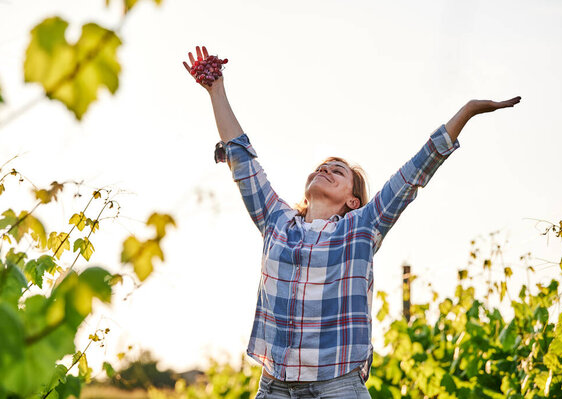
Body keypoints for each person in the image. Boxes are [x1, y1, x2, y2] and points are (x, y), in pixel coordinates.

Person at [183, 45, 521, 399]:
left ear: (352, 200)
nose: (325, 169)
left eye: (337, 170)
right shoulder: (278, 222)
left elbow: (414, 173)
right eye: (322, 167)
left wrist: (466, 112)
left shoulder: (360, 228)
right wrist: (216, 89)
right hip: (274, 387)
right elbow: (242, 159)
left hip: (337, 387)